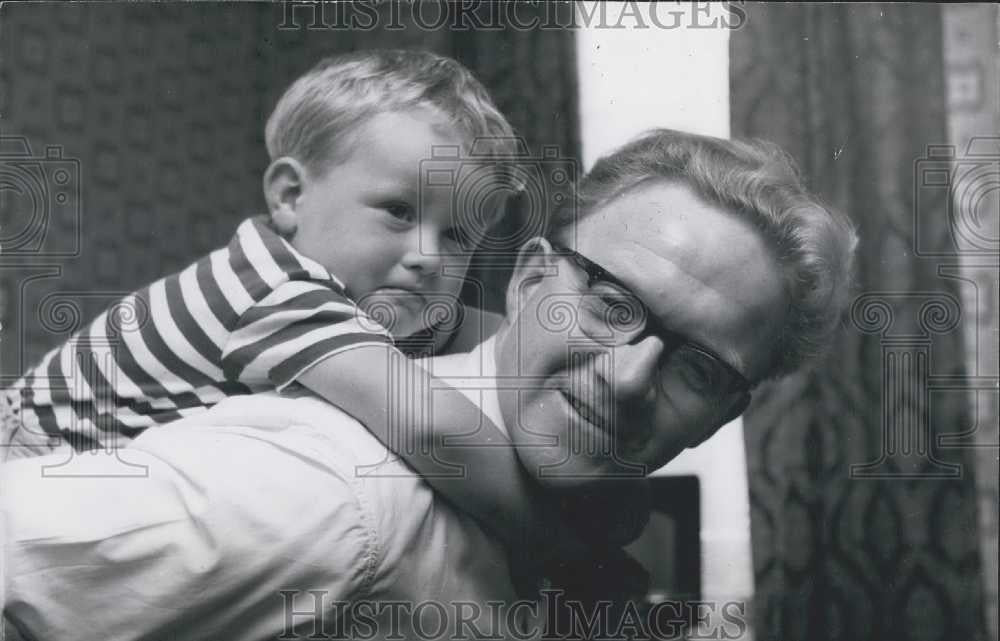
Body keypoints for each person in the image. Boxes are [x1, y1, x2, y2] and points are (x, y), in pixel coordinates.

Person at [2, 128, 857, 640]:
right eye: (608, 304)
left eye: (697, 367)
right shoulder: (331, 488)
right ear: (529, 281)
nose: (630, 380)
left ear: (726, 414)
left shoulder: (578, 517)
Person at [0, 50, 599, 564]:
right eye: (398, 210)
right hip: (23, 458)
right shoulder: (274, 289)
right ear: (291, 196)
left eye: (459, 237)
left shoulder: (373, 302)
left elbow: (494, 343)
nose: (428, 257)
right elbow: (433, 426)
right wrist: (568, 552)